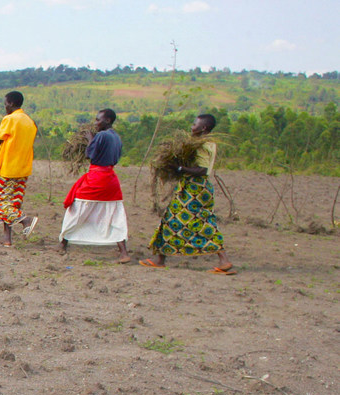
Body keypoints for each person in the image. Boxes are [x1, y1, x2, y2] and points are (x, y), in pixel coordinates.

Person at [140, 114, 234, 274]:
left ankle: (223, 259)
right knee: (185, 220)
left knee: (182, 221)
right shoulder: (209, 143)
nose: (192, 127)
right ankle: (161, 258)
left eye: (194, 124)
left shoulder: (203, 145)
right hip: (199, 189)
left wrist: (179, 168)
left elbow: (202, 170)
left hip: (193, 190)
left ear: (203, 128)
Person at [58, 109, 130, 263]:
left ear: (108, 120)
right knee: (114, 215)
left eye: (98, 120)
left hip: (96, 179)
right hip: (111, 180)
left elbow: (89, 155)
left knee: (76, 210)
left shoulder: (101, 136)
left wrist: (90, 139)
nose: (96, 123)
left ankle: (63, 244)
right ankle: (123, 252)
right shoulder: (116, 137)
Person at [0, 91, 38, 246]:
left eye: (6, 104)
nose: (5, 107)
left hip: (8, 168)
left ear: (11, 103)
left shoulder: (10, 119)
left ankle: (25, 220)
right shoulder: (29, 122)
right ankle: (7, 239)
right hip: (23, 168)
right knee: (11, 202)